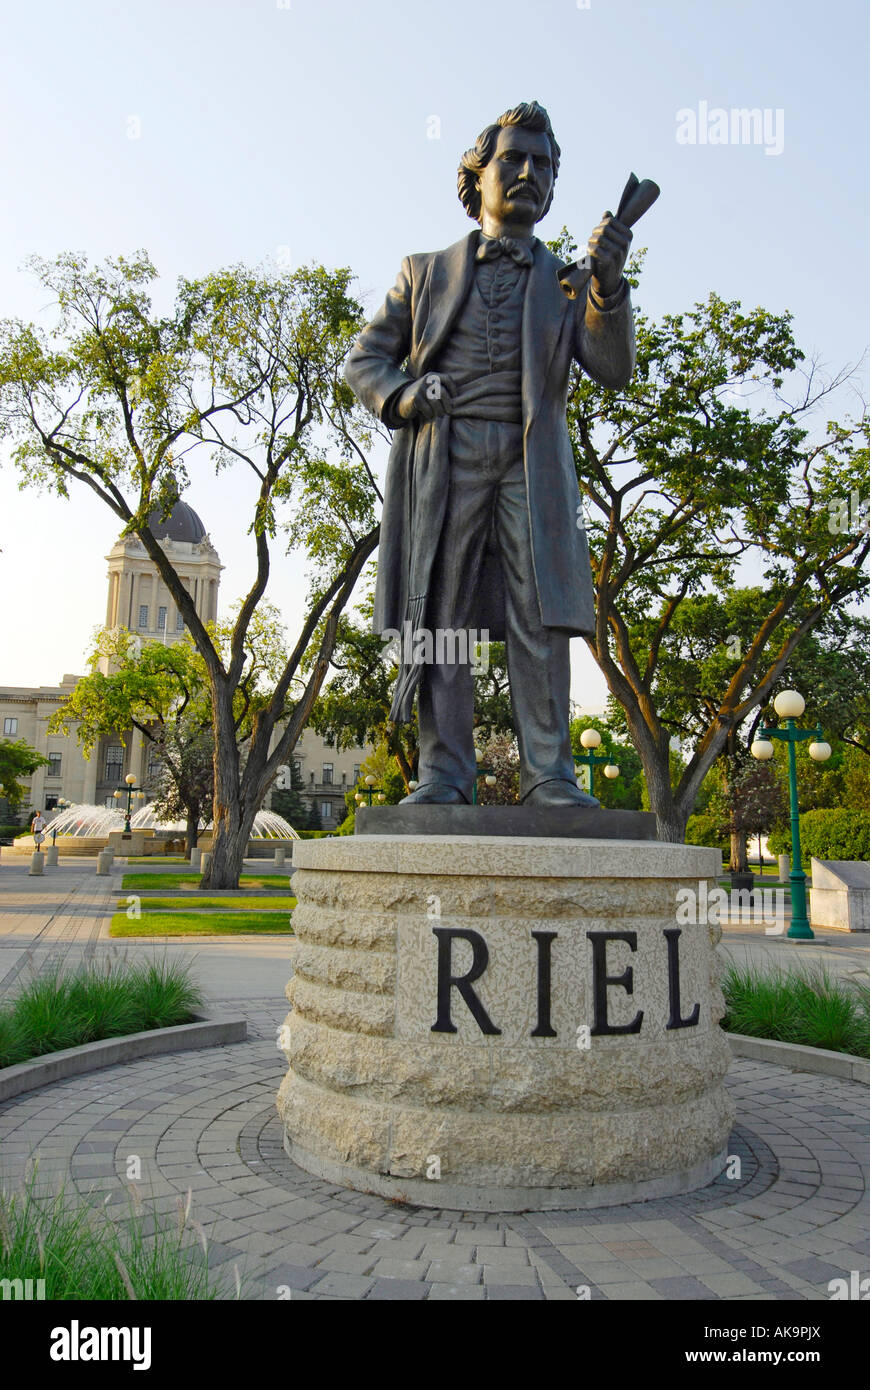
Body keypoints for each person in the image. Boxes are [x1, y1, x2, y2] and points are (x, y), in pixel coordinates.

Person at [344, 101, 636, 806]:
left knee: (540, 616)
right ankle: (444, 773)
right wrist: (410, 397)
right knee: (440, 619)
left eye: (544, 164)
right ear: (476, 176)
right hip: (444, 458)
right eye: (514, 159)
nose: (530, 172)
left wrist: (606, 286)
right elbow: (364, 361)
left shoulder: (569, 281)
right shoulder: (422, 273)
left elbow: (612, 365)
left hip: (532, 464)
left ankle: (549, 776)